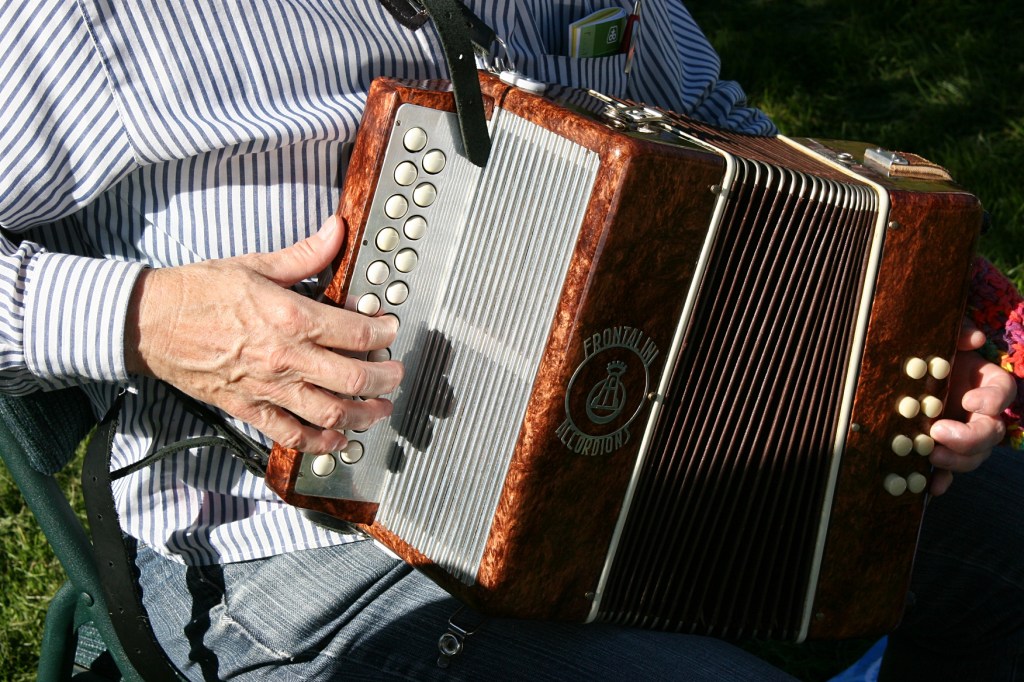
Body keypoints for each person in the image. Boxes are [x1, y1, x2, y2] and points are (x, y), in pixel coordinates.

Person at [0, 1, 1019, 679]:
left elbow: (709, 115)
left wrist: (893, 333)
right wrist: (143, 318)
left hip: (680, 465)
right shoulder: (82, 22)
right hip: (309, 554)